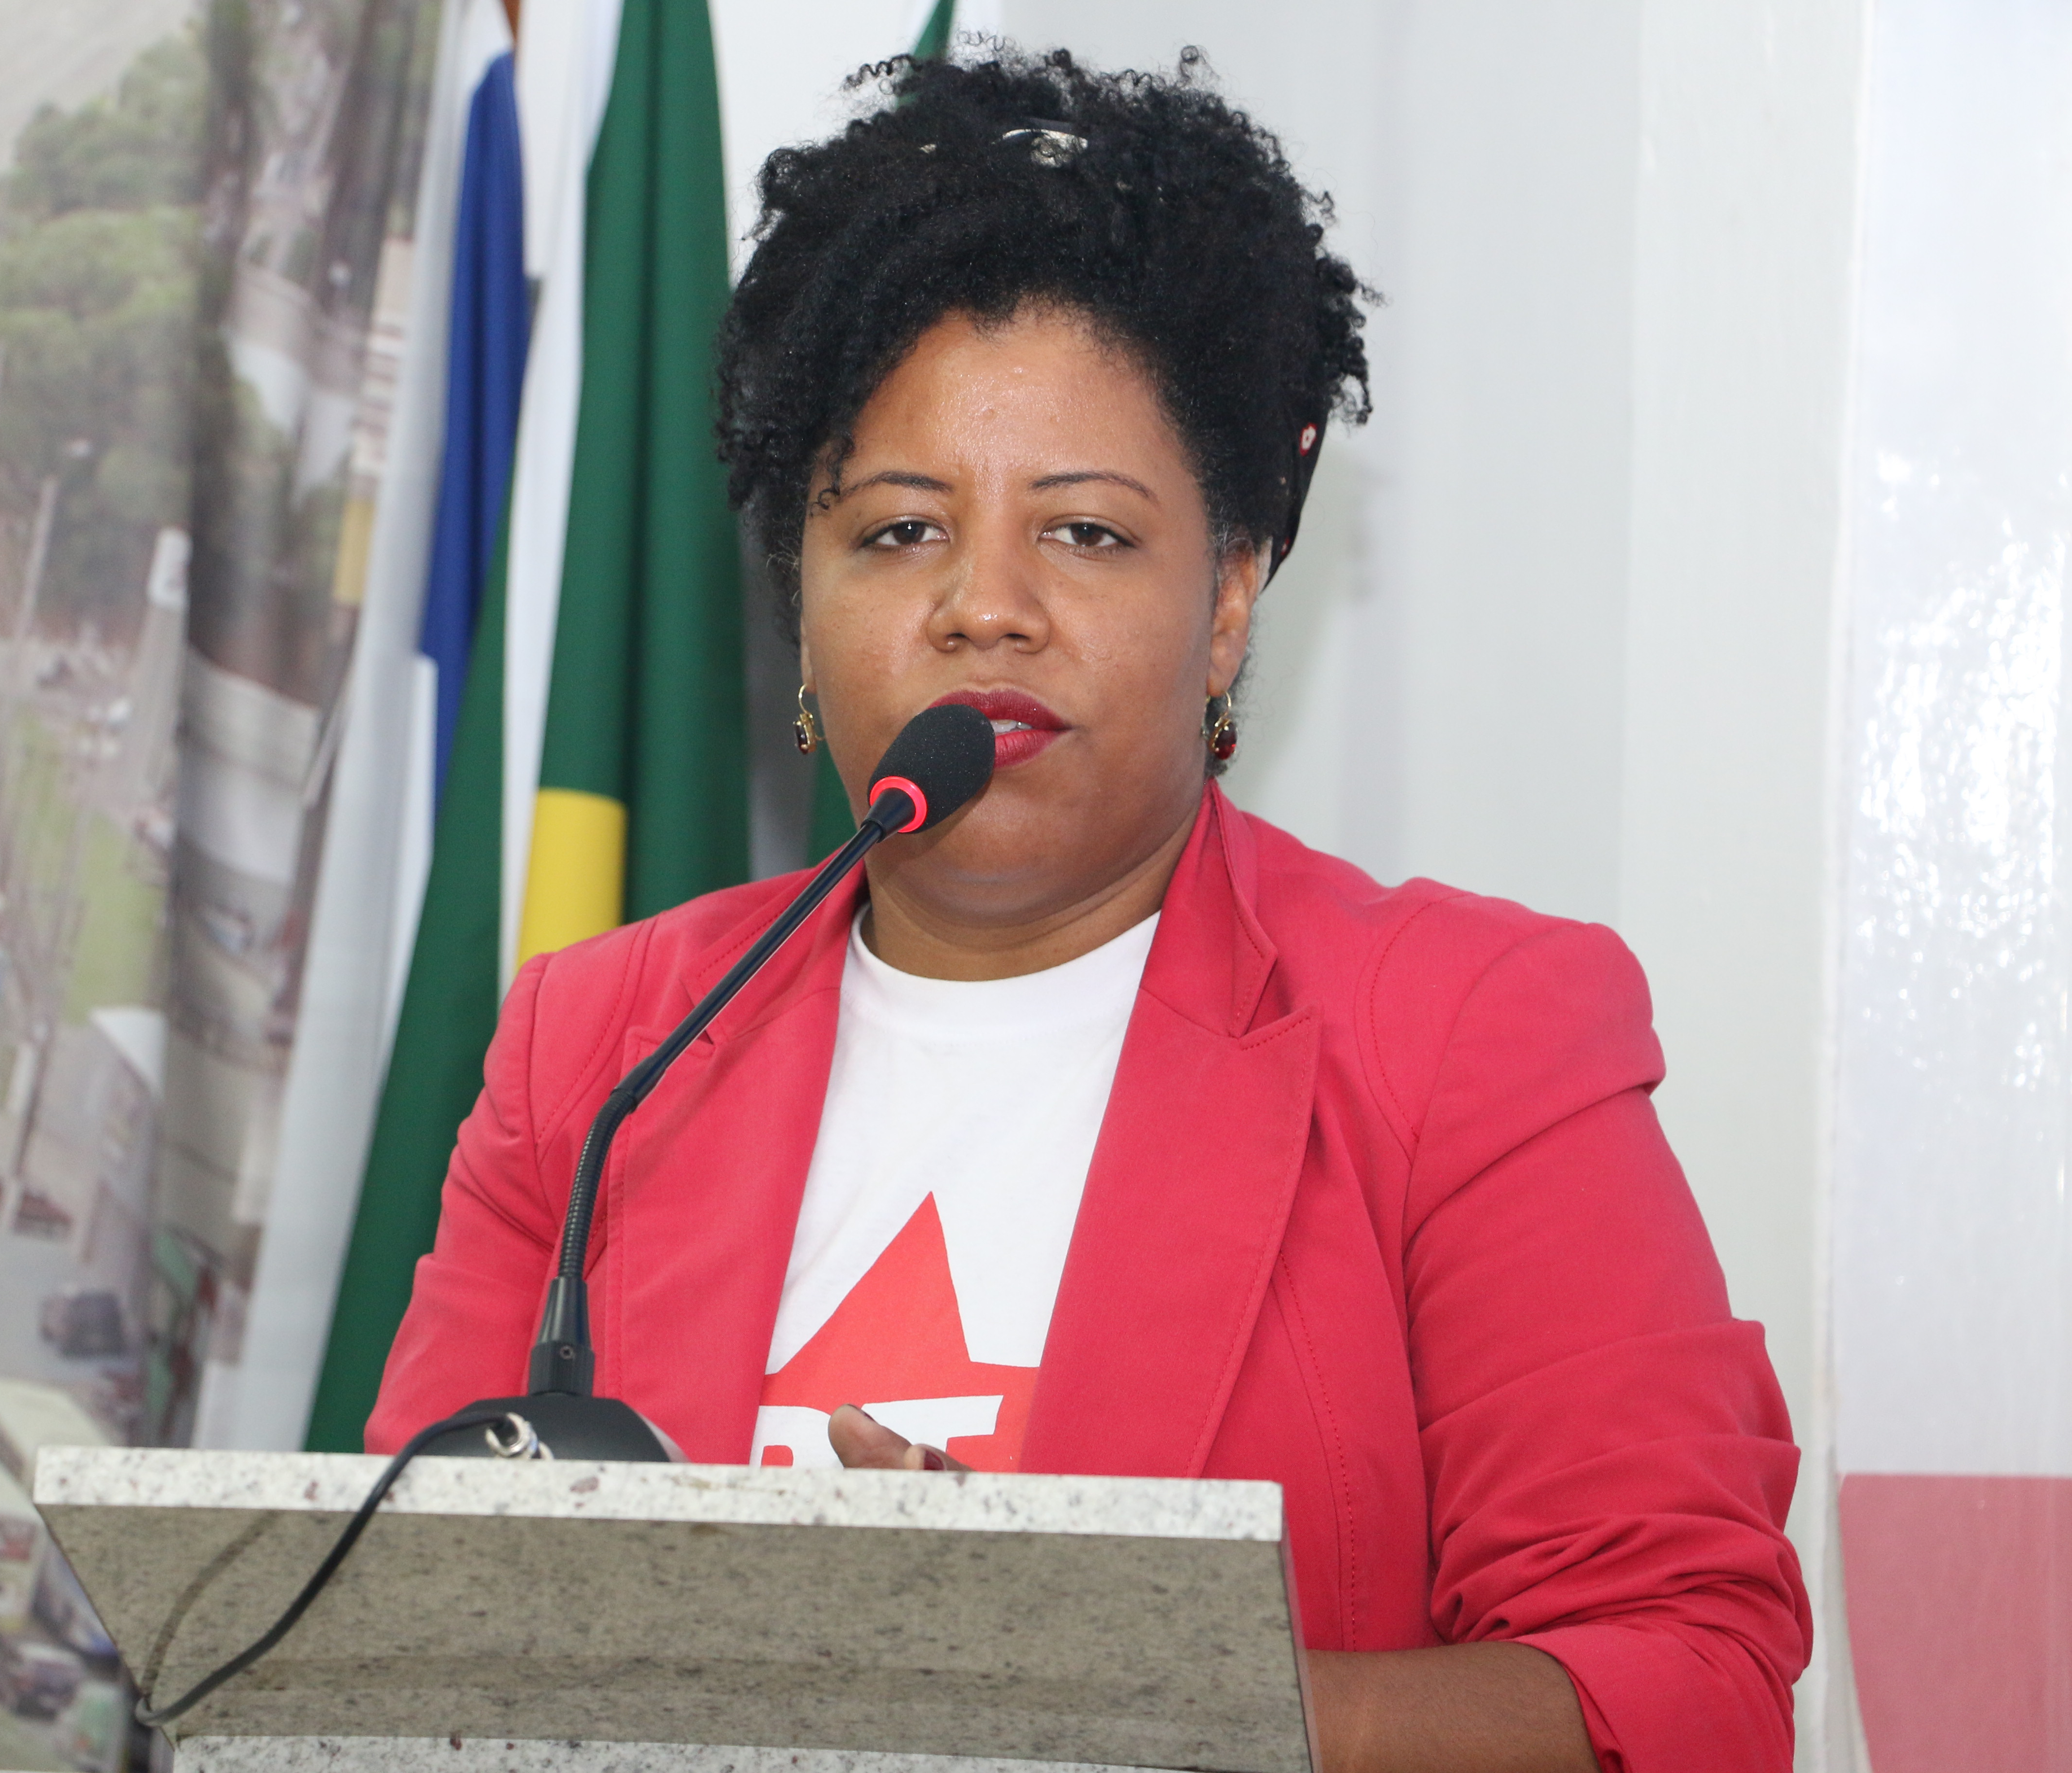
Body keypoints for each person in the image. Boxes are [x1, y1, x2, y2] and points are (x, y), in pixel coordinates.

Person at [364, 48, 1807, 1773]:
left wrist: (1108, 1677)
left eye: (1089, 537)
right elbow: (378, 1626)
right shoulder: (603, 1049)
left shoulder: (1464, 1036)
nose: (985, 607)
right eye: (899, 533)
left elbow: (1684, 1687)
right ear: (803, 618)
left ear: (1228, 604)